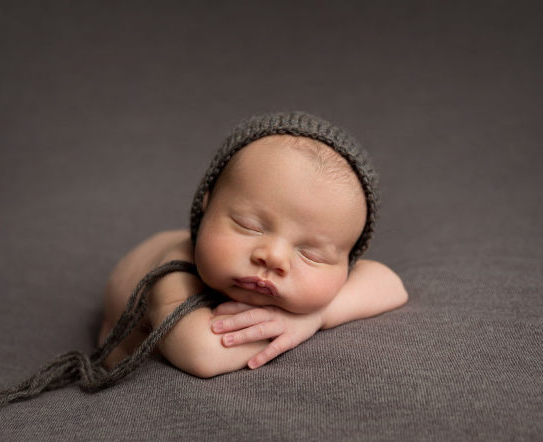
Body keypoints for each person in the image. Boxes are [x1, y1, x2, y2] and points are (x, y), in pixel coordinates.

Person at [98, 111, 408, 377]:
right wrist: (281, 329)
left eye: (312, 254)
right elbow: (202, 353)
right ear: (206, 207)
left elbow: (391, 284)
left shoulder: (328, 275)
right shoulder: (173, 273)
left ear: (347, 261)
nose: (274, 256)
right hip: (125, 328)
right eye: (249, 226)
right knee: (119, 353)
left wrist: (314, 317)